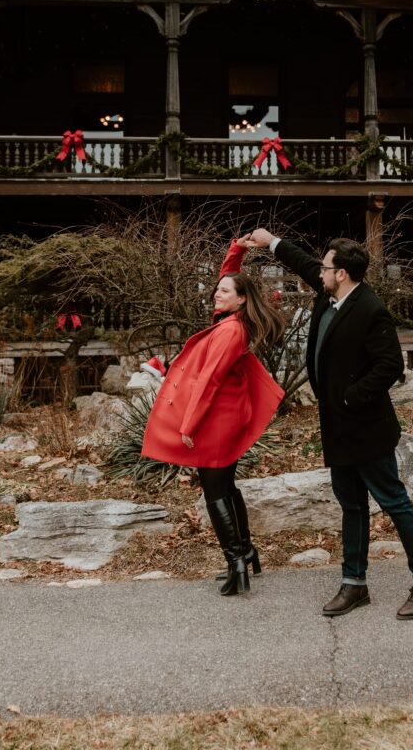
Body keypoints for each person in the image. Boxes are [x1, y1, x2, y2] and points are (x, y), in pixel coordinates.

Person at [248, 228, 413, 620]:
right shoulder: (330, 293)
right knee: (351, 506)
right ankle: (354, 584)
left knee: (394, 503)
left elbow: (389, 365)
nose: (319, 271)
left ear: (342, 273)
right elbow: (304, 262)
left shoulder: (371, 310)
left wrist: (352, 396)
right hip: (336, 426)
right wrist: (270, 242)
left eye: (326, 267)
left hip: (367, 426)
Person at [141, 235, 285, 596]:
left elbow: (209, 380)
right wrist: (237, 249)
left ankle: (236, 562)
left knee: (214, 492)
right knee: (225, 486)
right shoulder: (229, 319)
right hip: (226, 414)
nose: (216, 293)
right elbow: (230, 276)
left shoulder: (230, 331)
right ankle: (246, 550)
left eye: (224, 291)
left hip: (218, 419)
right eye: (217, 289)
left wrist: (189, 424)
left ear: (241, 299)